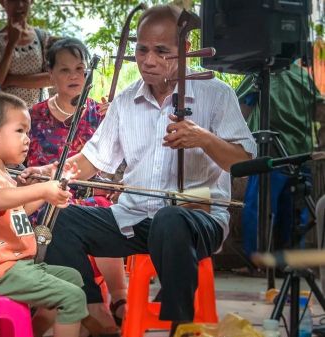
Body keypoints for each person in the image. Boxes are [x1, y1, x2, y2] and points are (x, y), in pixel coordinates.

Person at [20, 5, 257, 335]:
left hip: (196, 219)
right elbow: (90, 160)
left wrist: (202, 138)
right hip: (134, 219)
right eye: (142, 49)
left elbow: (242, 161)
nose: (148, 60)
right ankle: (94, 309)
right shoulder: (126, 100)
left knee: (170, 218)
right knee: (62, 217)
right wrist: (46, 172)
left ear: (186, 51)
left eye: (162, 51)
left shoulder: (216, 94)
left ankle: (180, 323)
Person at [0, 91, 87, 337]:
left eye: (28, 132)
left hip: (18, 266)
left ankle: (30, 331)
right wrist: (42, 188)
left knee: (73, 277)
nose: (27, 139)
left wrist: (48, 190)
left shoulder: (1, 173)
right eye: (20, 131)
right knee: (73, 297)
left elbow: (17, 211)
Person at [27, 37, 126, 329]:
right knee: (56, 215)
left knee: (100, 210)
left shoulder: (101, 113)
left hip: (90, 197)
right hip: (46, 200)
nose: (74, 76)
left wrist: (119, 121)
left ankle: (119, 296)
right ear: (51, 75)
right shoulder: (33, 115)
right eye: (64, 70)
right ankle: (74, 306)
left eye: (80, 69)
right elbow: (22, 162)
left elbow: (117, 165)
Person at [236, 61, 323, 261]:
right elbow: (320, 110)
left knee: (258, 209)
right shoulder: (302, 77)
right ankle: (288, 264)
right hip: (300, 156)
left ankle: (255, 262)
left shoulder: (258, 74)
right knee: (294, 212)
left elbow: (240, 112)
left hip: (271, 155)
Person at [0, 0, 51, 107]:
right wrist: (11, 44)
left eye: (24, 1)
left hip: (39, 114)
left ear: (31, 2)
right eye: (13, 1)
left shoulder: (43, 38)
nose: (20, 5)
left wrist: (10, 80)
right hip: (4, 113)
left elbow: (52, 78)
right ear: (2, 3)